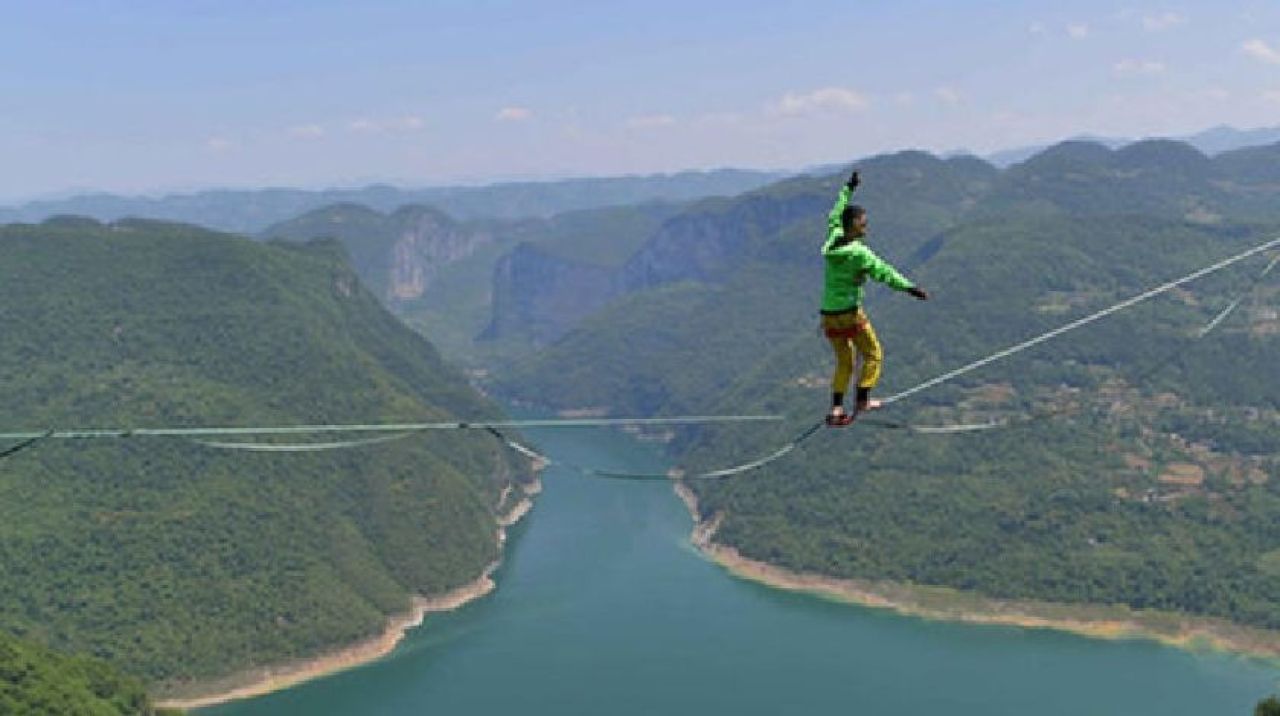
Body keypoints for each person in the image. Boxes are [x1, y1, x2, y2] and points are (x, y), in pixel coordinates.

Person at [820, 170, 929, 426]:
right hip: (849, 312)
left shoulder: (833, 238)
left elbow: (835, 213)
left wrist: (849, 188)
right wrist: (911, 288)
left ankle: (836, 407)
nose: (866, 225)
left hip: (828, 314)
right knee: (872, 354)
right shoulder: (859, 254)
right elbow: (885, 273)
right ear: (853, 225)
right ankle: (862, 399)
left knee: (845, 361)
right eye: (862, 222)